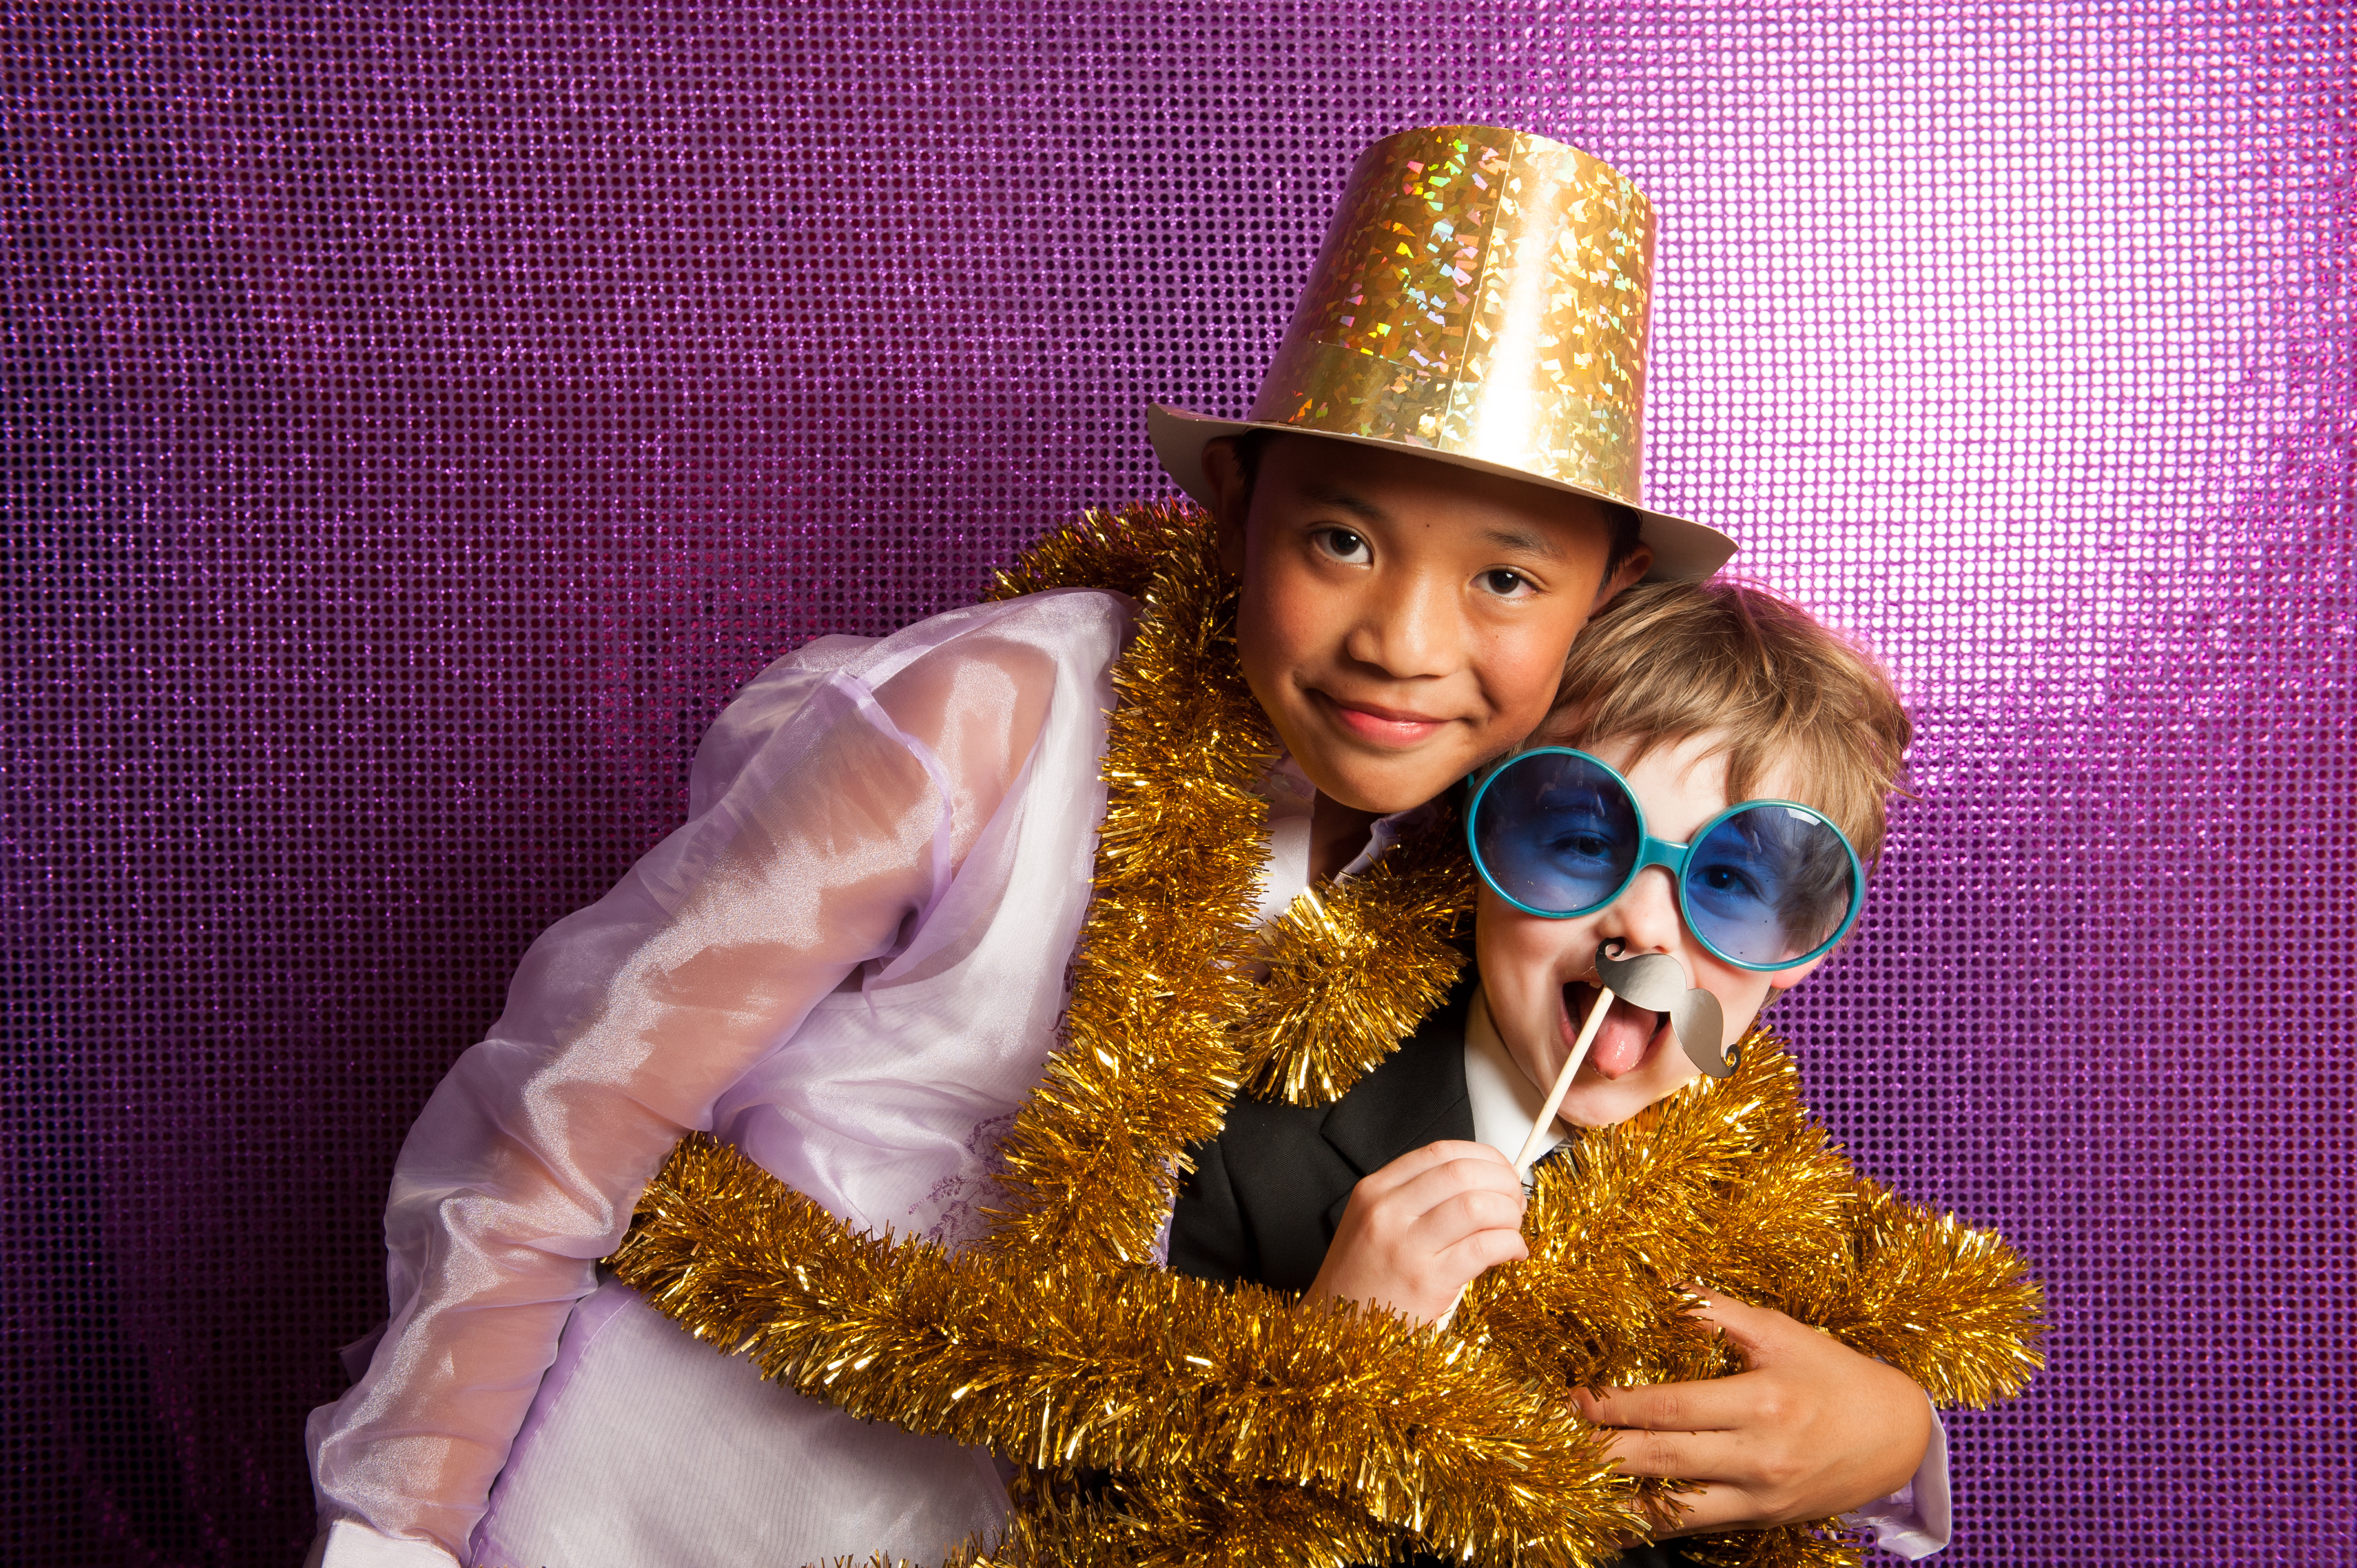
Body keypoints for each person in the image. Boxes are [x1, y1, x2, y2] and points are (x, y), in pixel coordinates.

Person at [305, 125, 1937, 1568]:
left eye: (1506, 582)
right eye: (1341, 540)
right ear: (1235, 512)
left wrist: (1899, 1443)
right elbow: (569, 1111)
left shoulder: (1512, 838)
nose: (1403, 646)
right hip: (678, 1485)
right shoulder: (989, 715)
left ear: (1595, 615)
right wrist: (397, 1529)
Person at [1169, 577, 2016, 1562]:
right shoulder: (1244, 1146)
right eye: (1582, 841)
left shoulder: (1781, 1208)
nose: (1645, 926)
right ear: (1480, 840)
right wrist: (1332, 1361)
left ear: (1806, 943)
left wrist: (1897, 1436)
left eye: (1732, 878)